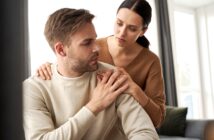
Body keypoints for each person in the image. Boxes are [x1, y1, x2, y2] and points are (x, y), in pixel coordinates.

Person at [23, 8, 159, 140]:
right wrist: (94, 106)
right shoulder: (33, 89)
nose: (97, 48)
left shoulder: (112, 77)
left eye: (94, 39)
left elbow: (145, 132)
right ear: (61, 50)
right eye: (87, 43)